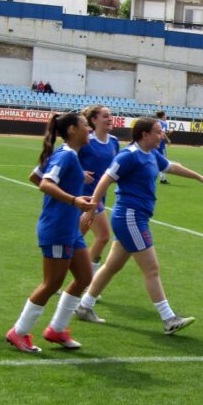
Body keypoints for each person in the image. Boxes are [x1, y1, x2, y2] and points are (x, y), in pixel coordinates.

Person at [75, 116, 203, 334]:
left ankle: (84, 306)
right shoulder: (129, 155)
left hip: (135, 217)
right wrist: (91, 208)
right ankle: (169, 319)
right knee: (152, 268)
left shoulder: (152, 154)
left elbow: (172, 167)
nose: (162, 135)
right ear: (144, 135)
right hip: (130, 217)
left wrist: (198, 177)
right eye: (158, 132)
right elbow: (105, 179)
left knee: (112, 266)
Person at [6, 112, 96, 353]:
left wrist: (73, 190)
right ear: (72, 130)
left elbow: (35, 176)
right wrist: (73, 200)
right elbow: (45, 183)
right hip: (57, 228)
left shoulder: (70, 155)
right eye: (85, 125)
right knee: (52, 282)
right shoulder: (66, 155)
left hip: (69, 228)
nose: (89, 129)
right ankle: (19, 332)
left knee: (84, 277)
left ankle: (57, 329)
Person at [78, 105, 121, 276]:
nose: (110, 118)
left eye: (110, 115)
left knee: (74, 240)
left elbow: (115, 169)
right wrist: (80, 173)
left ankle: (74, 278)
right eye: (105, 116)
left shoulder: (114, 142)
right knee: (103, 236)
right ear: (94, 120)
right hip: (84, 196)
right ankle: (87, 280)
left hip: (100, 197)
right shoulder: (86, 140)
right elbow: (66, 159)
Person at [155, 111, 173, 184]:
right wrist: (168, 139)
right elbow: (162, 135)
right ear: (163, 116)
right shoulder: (164, 123)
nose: (166, 117)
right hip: (160, 144)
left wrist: (167, 132)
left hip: (153, 143)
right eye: (165, 115)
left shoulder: (156, 122)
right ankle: (163, 179)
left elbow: (161, 132)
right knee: (163, 160)